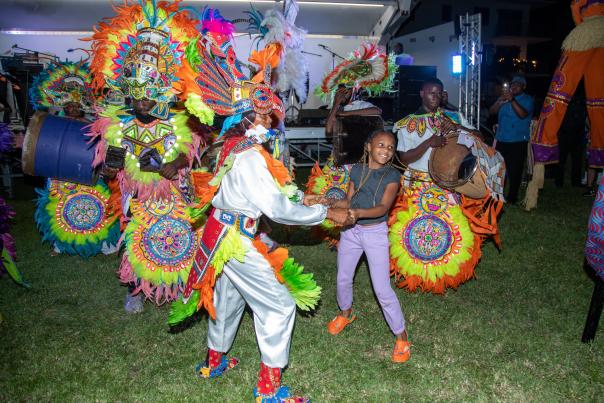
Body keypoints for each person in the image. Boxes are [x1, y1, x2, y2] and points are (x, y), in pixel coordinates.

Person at [306, 130, 411, 363]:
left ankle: (402, 336)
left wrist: (357, 214)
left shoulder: (393, 176)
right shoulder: (356, 170)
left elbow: (383, 208)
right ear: (368, 146)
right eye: (381, 144)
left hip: (374, 233)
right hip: (351, 232)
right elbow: (349, 201)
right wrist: (328, 200)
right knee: (343, 277)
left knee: (382, 289)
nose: (385, 150)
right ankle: (345, 313)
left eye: (391, 147)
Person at [392, 77, 503, 293]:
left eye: (439, 93)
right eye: (431, 93)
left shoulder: (453, 116)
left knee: (451, 232)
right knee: (414, 233)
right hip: (418, 184)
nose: (436, 97)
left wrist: (457, 126)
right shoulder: (407, 124)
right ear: (422, 93)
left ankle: (441, 278)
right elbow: (404, 158)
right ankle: (418, 276)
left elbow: (480, 137)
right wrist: (428, 143)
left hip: (448, 184)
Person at [489, 75, 534, 204]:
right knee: (499, 169)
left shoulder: (527, 100)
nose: (513, 87)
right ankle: (498, 195)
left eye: (517, 85)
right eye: (512, 84)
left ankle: (512, 197)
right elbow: (492, 111)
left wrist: (512, 100)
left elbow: (522, 115)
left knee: (515, 170)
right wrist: (499, 101)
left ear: (523, 87)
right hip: (501, 139)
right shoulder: (504, 99)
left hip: (517, 141)